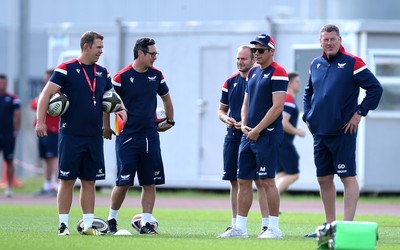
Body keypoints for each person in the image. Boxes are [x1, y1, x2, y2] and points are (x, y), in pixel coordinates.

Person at [35, 31, 127, 236]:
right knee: (67, 180)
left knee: (89, 181)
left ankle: (87, 226)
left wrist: (116, 115)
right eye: (98, 48)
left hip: (93, 136)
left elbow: (109, 100)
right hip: (71, 135)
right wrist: (40, 121)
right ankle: (63, 225)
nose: (101, 52)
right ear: (86, 46)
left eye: (102, 48)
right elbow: (45, 94)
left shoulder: (103, 73)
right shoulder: (66, 69)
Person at [303, 24, 383, 237]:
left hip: (343, 132)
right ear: (320, 42)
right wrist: (307, 116)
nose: (329, 43)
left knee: (347, 177)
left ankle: (346, 228)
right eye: (325, 40)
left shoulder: (353, 63)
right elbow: (308, 91)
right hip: (320, 132)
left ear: (339, 41)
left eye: (332, 39)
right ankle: (331, 228)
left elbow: (375, 89)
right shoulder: (315, 64)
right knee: (323, 179)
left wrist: (359, 113)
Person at [219, 34, 288, 239]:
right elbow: (245, 103)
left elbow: (277, 107)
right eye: (255, 50)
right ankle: (240, 227)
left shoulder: (279, 72)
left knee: (267, 180)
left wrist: (257, 129)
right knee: (242, 180)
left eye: (261, 50)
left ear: (271, 52)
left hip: (267, 134)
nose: (256, 54)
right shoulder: (253, 73)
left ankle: (273, 228)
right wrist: (245, 126)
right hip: (248, 134)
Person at [103, 37, 174, 235]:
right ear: (140, 53)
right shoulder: (121, 77)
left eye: (155, 54)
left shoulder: (157, 75)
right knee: (124, 182)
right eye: (152, 54)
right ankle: (112, 220)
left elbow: (167, 98)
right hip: (127, 137)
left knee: (149, 182)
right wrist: (106, 126)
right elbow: (107, 102)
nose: (155, 57)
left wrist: (171, 120)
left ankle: (146, 223)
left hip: (150, 136)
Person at [217, 45, 270, 237]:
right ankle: (236, 225)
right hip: (232, 136)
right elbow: (221, 110)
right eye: (238, 59)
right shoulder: (229, 82)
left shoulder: (260, 80)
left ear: (253, 60)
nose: (240, 62)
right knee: (235, 181)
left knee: (261, 181)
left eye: (244, 59)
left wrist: (249, 125)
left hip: (253, 135)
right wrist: (227, 119)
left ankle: (266, 226)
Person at [275, 72, 305, 194]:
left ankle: (271, 205)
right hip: (284, 143)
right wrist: (297, 131)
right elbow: (283, 123)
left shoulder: (286, 99)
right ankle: (271, 201)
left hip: (279, 142)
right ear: (290, 84)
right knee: (293, 174)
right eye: (297, 82)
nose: (300, 84)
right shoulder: (288, 99)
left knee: (282, 173)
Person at [31, 69, 59, 197]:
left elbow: (41, 104)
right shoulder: (44, 92)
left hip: (52, 130)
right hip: (42, 131)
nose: (46, 81)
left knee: (54, 158)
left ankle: (57, 186)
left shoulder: (56, 93)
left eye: (49, 78)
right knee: (46, 159)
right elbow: (33, 104)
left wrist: (41, 101)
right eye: (46, 78)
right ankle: (47, 185)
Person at [0, 74, 21, 198]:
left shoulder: (12, 98)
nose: (3, 85)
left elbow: (18, 114)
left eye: (4, 83)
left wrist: (16, 131)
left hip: (8, 134)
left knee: (9, 160)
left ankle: (9, 187)